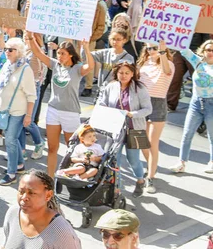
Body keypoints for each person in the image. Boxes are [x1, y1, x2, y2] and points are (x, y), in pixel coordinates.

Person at [28, 34, 94, 177]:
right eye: (58, 53)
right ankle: (50, 178)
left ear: (70, 55)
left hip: (70, 113)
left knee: (72, 149)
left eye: (62, 54)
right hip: (53, 111)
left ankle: (69, 177)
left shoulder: (77, 68)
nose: (59, 56)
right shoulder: (55, 65)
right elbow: (38, 53)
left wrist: (87, 49)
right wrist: (30, 37)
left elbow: (91, 66)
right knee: (52, 148)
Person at [97, 63, 152, 197]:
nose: (124, 75)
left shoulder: (140, 88)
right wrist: (107, 109)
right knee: (114, 160)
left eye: (127, 73)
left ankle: (140, 180)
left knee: (133, 160)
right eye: (121, 72)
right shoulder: (111, 86)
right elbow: (101, 102)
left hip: (135, 128)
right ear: (116, 73)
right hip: (115, 128)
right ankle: (117, 189)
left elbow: (148, 109)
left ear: (132, 74)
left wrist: (133, 114)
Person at [0, 38, 37, 185]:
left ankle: (11, 173)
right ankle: (19, 165)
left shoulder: (25, 69)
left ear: (19, 52)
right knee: (12, 138)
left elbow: (32, 95)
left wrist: (29, 115)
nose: (7, 52)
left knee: (10, 140)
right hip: (5, 110)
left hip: (18, 111)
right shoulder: (7, 65)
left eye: (10, 49)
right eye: (6, 49)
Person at [2, 169, 81, 249]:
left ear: (48, 195)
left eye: (31, 193)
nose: (24, 197)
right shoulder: (13, 212)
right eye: (21, 191)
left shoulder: (61, 232)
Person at [171, 39, 213, 174]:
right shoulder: (198, 62)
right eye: (208, 50)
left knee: (212, 136)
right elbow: (184, 50)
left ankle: (212, 162)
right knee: (187, 133)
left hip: (211, 104)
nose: (210, 53)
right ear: (203, 51)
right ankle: (182, 162)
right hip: (196, 103)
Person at [137, 41, 174, 193]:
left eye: (155, 48)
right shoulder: (143, 63)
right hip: (143, 102)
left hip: (158, 103)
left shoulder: (168, 63)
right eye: (149, 48)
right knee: (141, 142)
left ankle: (150, 178)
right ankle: (152, 165)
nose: (152, 51)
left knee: (152, 143)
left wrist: (163, 52)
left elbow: (167, 71)